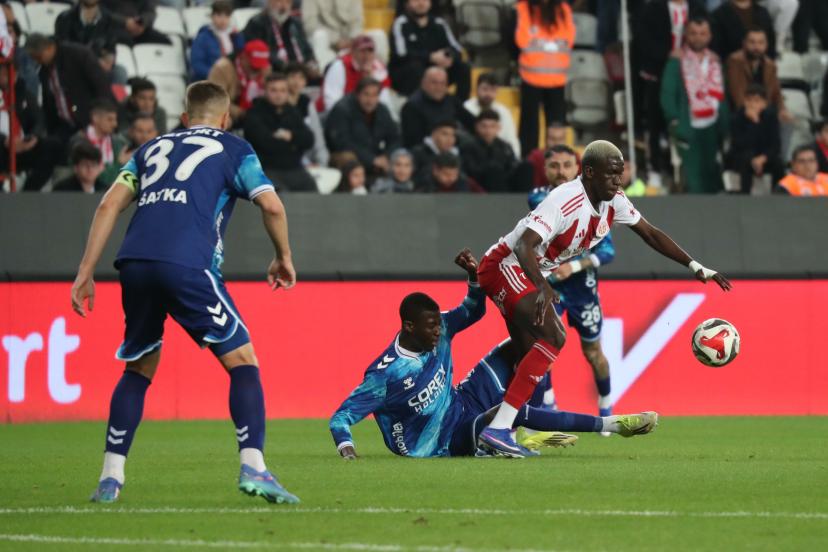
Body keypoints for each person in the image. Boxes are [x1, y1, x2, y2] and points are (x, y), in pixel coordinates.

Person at [70, 81, 299, 504]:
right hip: (188, 264)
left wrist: (85, 272)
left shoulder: (149, 149)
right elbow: (271, 205)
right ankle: (254, 467)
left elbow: (107, 205)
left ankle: (110, 477)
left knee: (138, 368)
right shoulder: (234, 148)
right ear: (226, 118)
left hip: (134, 263)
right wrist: (283, 256)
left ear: (183, 118)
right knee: (243, 361)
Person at [473, 140, 732, 457]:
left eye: (620, 174)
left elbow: (650, 233)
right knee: (554, 336)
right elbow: (523, 245)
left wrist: (695, 266)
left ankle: (501, 433)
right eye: (610, 174)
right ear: (589, 172)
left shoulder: (615, 201)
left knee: (529, 357)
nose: (617, 181)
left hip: (528, 273)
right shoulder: (565, 199)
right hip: (505, 266)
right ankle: (498, 429)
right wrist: (542, 286)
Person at [330, 250, 659, 459]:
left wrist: (474, 281)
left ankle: (518, 433)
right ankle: (613, 424)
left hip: (461, 400)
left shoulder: (440, 327)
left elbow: (471, 312)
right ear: (408, 326)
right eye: (431, 327)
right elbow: (340, 418)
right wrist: (347, 450)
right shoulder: (385, 374)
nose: (438, 331)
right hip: (443, 440)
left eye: (437, 325)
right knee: (510, 410)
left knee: (528, 345)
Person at [525, 144, 617, 424]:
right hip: (551, 289)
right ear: (545, 169)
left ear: (578, 168)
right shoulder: (538, 198)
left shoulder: (597, 199)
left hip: (583, 292)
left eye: (567, 165)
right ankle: (549, 407)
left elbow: (607, 251)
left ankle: (606, 407)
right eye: (554, 166)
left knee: (593, 353)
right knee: (545, 348)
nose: (560, 171)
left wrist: (574, 266)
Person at [634, 0, 707, 188]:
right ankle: (655, 169)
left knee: (692, 120)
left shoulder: (696, 7)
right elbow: (644, 39)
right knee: (655, 122)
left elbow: (704, 35)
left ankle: (691, 170)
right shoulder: (653, 8)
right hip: (658, 71)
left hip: (691, 73)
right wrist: (668, 55)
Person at [660, 16, 729, 194]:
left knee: (712, 174)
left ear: (710, 36)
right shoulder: (677, 60)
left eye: (702, 33)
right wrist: (674, 120)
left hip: (713, 126)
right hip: (687, 125)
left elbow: (722, 95)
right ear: (686, 35)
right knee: (693, 178)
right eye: (693, 33)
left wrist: (725, 123)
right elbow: (668, 92)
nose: (698, 37)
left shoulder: (714, 61)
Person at [25, 34, 115, 145]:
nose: (38, 61)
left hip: (89, 123)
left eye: (38, 57)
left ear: (49, 48)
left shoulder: (77, 54)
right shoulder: (44, 71)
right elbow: (48, 104)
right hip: (64, 127)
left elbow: (101, 86)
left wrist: (98, 122)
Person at [514, 0, 575, 156]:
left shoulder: (564, 9)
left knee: (556, 131)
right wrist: (551, 45)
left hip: (557, 81)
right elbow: (520, 40)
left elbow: (569, 39)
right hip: (530, 79)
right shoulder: (523, 9)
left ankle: (556, 161)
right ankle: (529, 162)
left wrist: (540, 44)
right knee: (529, 130)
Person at [244, 73, 316, 193]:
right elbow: (265, 143)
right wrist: (293, 144)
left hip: (295, 168)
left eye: (283, 90)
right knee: (282, 196)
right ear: (265, 91)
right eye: (274, 90)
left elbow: (309, 139)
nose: (279, 95)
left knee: (314, 193)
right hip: (266, 169)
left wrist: (291, 136)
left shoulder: (293, 112)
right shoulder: (254, 113)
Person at [389, 0, 471, 101]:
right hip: (407, 73)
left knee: (463, 67)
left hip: (436, 67)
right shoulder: (401, 22)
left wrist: (449, 57)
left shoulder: (439, 22)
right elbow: (401, 54)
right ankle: (416, 105)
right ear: (407, 3)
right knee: (415, 68)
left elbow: (457, 49)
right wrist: (430, 57)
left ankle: (459, 105)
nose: (421, 3)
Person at [0, 62, 62, 192]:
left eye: (9, 73)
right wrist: (4, 141)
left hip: (22, 145)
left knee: (53, 146)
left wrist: (33, 137)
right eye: (2, 73)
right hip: (3, 147)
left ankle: (29, 192)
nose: (5, 77)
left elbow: (39, 119)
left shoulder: (24, 93)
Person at [324, 77, 401, 174]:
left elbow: (395, 138)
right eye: (366, 94)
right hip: (348, 157)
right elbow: (342, 143)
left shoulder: (382, 110)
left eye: (374, 95)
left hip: (375, 156)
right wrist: (372, 159)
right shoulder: (342, 110)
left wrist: (386, 156)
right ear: (357, 94)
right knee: (347, 157)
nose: (370, 100)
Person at [725, 84, 785, 193]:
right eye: (749, 100)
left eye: (757, 100)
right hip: (741, 156)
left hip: (764, 156)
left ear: (764, 103)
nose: (752, 104)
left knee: (778, 164)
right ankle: (745, 197)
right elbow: (740, 144)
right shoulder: (736, 118)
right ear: (744, 101)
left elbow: (775, 145)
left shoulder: (771, 117)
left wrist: (762, 158)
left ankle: (778, 196)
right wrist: (754, 122)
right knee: (746, 160)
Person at [315, 35, 391, 116]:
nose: (366, 55)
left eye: (370, 51)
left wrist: (371, 78)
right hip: (329, 115)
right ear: (353, 52)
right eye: (362, 51)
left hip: (362, 116)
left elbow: (384, 101)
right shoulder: (340, 66)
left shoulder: (379, 68)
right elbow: (331, 101)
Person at [725, 26, 789, 122]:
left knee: (786, 121)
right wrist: (750, 112)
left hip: (765, 110)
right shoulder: (735, 61)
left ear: (766, 45)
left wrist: (782, 109)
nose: (756, 47)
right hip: (741, 112)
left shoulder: (770, 65)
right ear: (744, 43)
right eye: (752, 42)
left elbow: (776, 92)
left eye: (761, 43)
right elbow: (737, 93)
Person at [399, 67, 474, 148]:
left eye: (442, 83)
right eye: (434, 83)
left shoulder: (450, 100)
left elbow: (472, 122)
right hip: (426, 151)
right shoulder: (411, 107)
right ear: (423, 83)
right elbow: (414, 142)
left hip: (453, 147)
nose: (439, 87)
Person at [243, 0, 319, 79]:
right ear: (270, 2)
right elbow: (260, 53)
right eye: (279, 1)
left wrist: (312, 64)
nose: (283, 7)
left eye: (287, 2)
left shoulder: (295, 23)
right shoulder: (257, 23)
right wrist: (285, 66)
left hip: (301, 72)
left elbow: (307, 50)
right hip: (277, 73)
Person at [460, 110, 533, 193]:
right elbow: (470, 170)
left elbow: (513, 165)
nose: (488, 130)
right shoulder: (468, 146)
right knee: (494, 170)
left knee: (526, 167)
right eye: (484, 126)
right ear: (477, 127)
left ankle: (524, 198)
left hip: (505, 181)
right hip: (482, 183)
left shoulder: (505, 146)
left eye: (492, 126)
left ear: (498, 128)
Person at [208, 39, 272, 125]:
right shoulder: (222, 68)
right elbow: (216, 100)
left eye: (261, 66)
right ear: (243, 57)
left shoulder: (265, 68)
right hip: (229, 114)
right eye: (254, 67)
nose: (257, 70)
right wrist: (241, 113)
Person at [463, 72, 521, 157]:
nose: (488, 94)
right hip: (471, 154)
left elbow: (511, 139)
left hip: (498, 155)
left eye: (493, 90)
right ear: (477, 89)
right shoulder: (467, 108)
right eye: (485, 89)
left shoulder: (503, 111)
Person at [72, 99, 128, 185]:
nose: (115, 124)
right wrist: (119, 164)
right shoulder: (78, 142)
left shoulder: (118, 142)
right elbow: (88, 175)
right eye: (110, 119)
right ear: (95, 118)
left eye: (115, 120)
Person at [285, 63, 328, 168]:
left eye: (301, 78)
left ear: (305, 82)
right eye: (292, 77)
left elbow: (317, 135)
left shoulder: (307, 103)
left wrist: (322, 162)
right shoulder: (279, 104)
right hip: (288, 160)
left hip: (310, 159)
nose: (296, 82)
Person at [190, 0, 245, 82]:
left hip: (231, 79)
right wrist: (215, 75)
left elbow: (242, 57)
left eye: (226, 16)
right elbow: (197, 64)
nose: (223, 20)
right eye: (219, 15)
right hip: (209, 80)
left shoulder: (235, 35)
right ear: (212, 16)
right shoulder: (203, 37)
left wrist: (237, 37)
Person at [301, 0, 364, 72]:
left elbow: (357, 22)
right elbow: (310, 25)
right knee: (319, 35)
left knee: (374, 37)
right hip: (325, 40)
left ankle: (367, 74)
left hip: (347, 39)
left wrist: (352, 39)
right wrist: (335, 41)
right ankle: (325, 72)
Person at [710, 0, 776, 62]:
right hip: (730, 66)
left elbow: (771, 43)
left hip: (761, 67)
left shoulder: (763, 12)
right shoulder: (719, 15)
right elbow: (716, 48)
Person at [54, 0, 120, 53]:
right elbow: (62, 51)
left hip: (97, 65)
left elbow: (110, 51)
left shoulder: (109, 21)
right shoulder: (64, 18)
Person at [100, 0, 171, 45]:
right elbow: (101, 11)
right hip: (112, 28)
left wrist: (142, 22)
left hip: (139, 29)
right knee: (125, 41)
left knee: (164, 41)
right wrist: (125, 22)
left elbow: (150, 12)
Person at [415, 152, 482, 193]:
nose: (451, 178)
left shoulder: (467, 183)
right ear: (435, 170)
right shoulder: (424, 186)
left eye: (455, 174)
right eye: (446, 174)